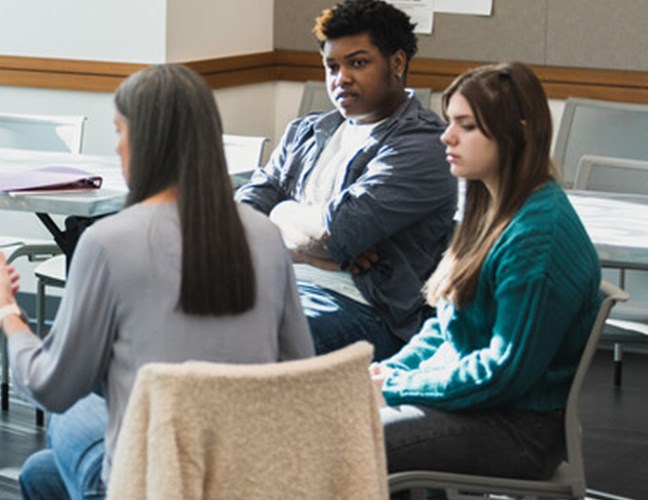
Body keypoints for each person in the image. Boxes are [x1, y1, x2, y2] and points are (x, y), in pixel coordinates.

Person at [0, 64, 314, 500]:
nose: (118, 146)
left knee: (73, 416)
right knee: (40, 475)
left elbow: (51, 386)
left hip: (149, 481)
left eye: (120, 131)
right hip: (250, 477)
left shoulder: (108, 242)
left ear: (145, 141)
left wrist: (7, 310)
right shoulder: (265, 235)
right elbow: (299, 371)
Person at [373, 62, 602, 481]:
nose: (447, 136)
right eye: (449, 122)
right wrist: (393, 371)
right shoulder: (490, 208)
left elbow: (502, 373)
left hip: (519, 428)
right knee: (339, 421)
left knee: (353, 439)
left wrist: (394, 387)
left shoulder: (537, 236)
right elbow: (445, 328)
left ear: (517, 133)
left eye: (467, 126)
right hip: (483, 407)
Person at [235, 0, 457, 360]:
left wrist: (281, 214)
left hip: (362, 310)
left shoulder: (426, 144)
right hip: (280, 285)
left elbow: (341, 231)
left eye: (358, 63)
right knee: (168, 313)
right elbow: (239, 218)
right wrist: (307, 254)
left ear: (397, 63)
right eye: (331, 66)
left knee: (250, 342)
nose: (341, 78)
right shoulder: (307, 132)